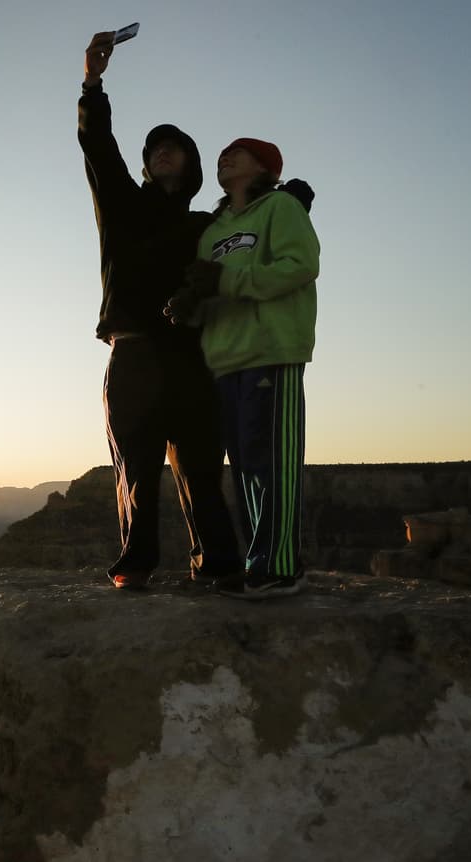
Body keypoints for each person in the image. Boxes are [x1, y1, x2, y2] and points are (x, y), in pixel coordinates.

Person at [78, 31, 242, 591]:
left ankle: (217, 564)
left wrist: (288, 194)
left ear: (193, 166)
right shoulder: (124, 206)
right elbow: (99, 149)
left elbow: (253, 224)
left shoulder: (207, 227)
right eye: (154, 149)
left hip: (193, 354)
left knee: (199, 464)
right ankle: (136, 562)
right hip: (136, 351)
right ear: (146, 166)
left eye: (174, 147)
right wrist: (93, 85)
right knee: (138, 467)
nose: (161, 152)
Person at [166, 137, 320, 600]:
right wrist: (189, 305)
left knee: (272, 461)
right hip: (225, 359)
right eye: (221, 154)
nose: (224, 157)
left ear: (265, 167)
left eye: (238, 152)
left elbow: (300, 266)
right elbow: (214, 289)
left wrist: (226, 279)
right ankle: (261, 563)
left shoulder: (280, 207)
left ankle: (281, 568)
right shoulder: (214, 232)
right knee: (248, 466)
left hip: (272, 349)